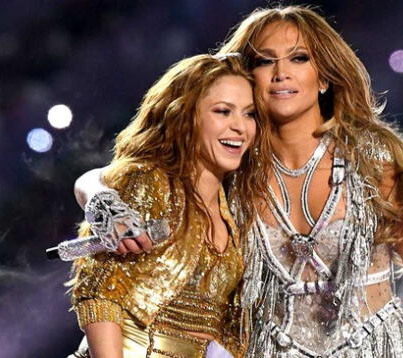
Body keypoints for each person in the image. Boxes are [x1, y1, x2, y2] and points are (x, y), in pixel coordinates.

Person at [74, 5, 403, 358]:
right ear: (246, 75)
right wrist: (101, 200)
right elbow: (116, 175)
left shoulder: (375, 161)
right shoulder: (231, 166)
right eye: (264, 61)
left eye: (298, 58)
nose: (280, 73)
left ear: (324, 76)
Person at [67, 53, 271, 358]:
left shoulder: (234, 212)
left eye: (249, 114)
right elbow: (100, 294)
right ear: (186, 116)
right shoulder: (154, 183)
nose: (240, 127)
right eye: (223, 111)